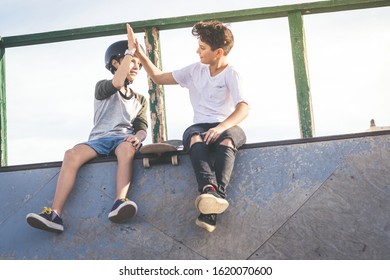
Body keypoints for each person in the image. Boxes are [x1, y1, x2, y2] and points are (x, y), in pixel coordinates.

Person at [127, 20, 249, 232]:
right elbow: (158, 77)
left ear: (218, 52)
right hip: (200, 126)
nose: (197, 52)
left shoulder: (232, 73)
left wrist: (220, 128)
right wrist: (139, 54)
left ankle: (212, 203)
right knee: (194, 137)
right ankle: (211, 191)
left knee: (229, 139)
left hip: (226, 126)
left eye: (202, 48)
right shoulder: (195, 70)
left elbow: (243, 108)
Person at [26, 37, 148, 233]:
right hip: (98, 140)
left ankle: (119, 201)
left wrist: (138, 138)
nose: (136, 66)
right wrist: (130, 51)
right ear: (116, 63)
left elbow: (141, 126)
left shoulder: (140, 99)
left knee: (127, 149)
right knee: (71, 154)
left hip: (122, 139)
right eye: (132, 61)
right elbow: (117, 82)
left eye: (139, 64)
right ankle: (55, 214)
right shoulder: (102, 86)